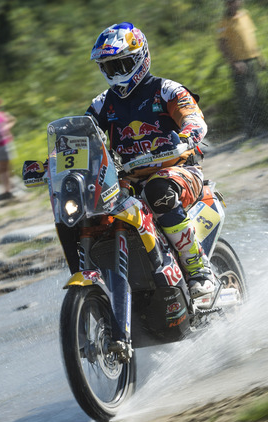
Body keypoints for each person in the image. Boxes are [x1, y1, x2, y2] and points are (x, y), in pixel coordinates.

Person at [85, 22, 218, 301]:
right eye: (108, 67)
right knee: (91, 208)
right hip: (129, 179)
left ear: (140, 58)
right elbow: (80, 137)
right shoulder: (101, 104)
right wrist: (54, 162)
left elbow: (193, 117)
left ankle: (199, 270)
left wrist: (188, 134)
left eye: (121, 65)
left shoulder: (166, 89)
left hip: (179, 170)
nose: (115, 73)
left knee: (158, 190)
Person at [217, 0, 267, 137]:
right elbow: (221, 45)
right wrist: (234, 63)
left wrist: (260, 57)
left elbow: (252, 38)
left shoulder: (245, 15)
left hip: (252, 60)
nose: (234, 3)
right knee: (245, 98)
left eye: (236, 1)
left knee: (256, 94)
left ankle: (260, 125)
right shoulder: (224, 22)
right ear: (227, 4)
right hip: (239, 64)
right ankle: (250, 129)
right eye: (231, 2)